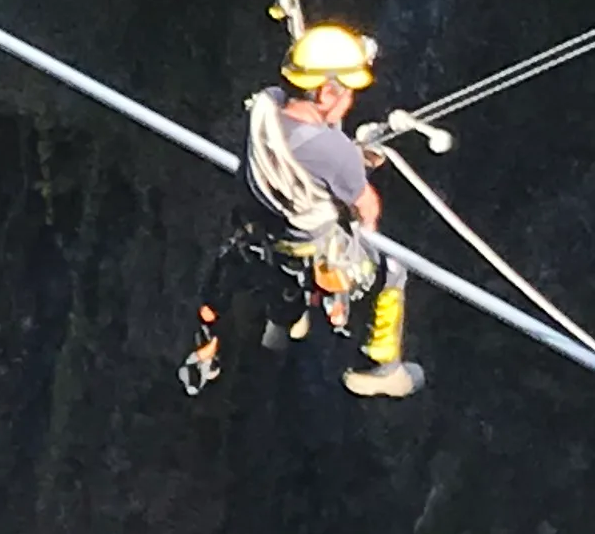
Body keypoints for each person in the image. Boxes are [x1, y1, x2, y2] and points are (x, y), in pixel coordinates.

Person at [176, 23, 425, 402]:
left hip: (259, 236)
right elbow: (365, 207)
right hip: (310, 248)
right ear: (327, 91)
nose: (350, 102)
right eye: (349, 94)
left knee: (268, 278)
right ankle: (380, 366)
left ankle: (283, 323)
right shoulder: (335, 152)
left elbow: (303, 153)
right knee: (392, 270)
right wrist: (357, 166)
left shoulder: (263, 109)